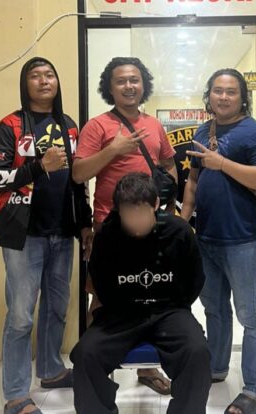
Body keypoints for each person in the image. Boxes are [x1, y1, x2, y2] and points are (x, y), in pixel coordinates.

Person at [0, 57, 92, 414]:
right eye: (35, 75)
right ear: (25, 83)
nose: (44, 81)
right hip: (23, 234)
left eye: (50, 75)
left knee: (56, 308)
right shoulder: (9, 126)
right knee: (21, 316)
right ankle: (16, 395)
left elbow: (78, 180)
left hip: (62, 232)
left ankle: (50, 370)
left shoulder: (70, 126)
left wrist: (85, 222)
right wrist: (37, 166)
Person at [72, 56, 177, 395]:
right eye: (121, 81)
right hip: (110, 227)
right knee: (102, 297)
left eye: (134, 80)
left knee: (149, 295)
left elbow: (168, 164)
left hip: (151, 228)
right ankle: (95, 368)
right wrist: (113, 150)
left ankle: (147, 369)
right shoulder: (97, 126)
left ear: (143, 84)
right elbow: (79, 173)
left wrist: (169, 207)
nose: (129, 86)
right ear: (110, 87)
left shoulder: (154, 125)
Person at [182, 68, 256, 414]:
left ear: (242, 97)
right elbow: (193, 180)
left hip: (241, 239)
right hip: (205, 236)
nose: (223, 97)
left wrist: (222, 163)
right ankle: (216, 367)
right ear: (209, 95)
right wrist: (183, 222)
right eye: (218, 91)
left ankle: (255, 390)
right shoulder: (202, 131)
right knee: (214, 307)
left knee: (250, 314)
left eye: (231, 91)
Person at [70, 172, 211, 414]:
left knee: (197, 352)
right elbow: (101, 283)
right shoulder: (107, 235)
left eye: (141, 213)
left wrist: (173, 306)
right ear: (118, 211)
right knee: (85, 354)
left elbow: (195, 280)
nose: (136, 222)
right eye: (128, 214)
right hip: (121, 313)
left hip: (168, 311)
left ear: (155, 204)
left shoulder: (179, 232)